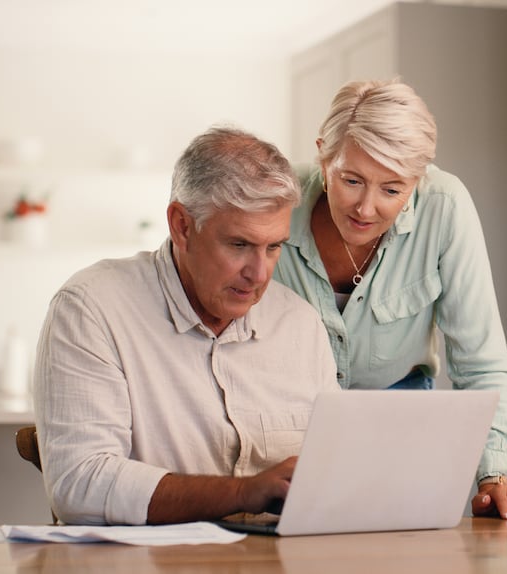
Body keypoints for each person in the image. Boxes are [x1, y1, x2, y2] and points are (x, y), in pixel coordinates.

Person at [274, 79, 507, 521]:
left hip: (400, 414)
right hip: (286, 418)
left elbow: (481, 363)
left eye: (392, 189)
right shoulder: (275, 199)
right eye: (351, 180)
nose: (366, 208)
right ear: (324, 157)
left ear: (417, 180)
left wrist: (494, 476)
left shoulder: (445, 207)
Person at [33, 126, 339, 526]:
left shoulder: (299, 324)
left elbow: (334, 467)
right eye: (239, 245)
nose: (260, 273)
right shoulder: (92, 309)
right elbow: (79, 484)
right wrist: (243, 493)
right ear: (181, 225)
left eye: (273, 247)